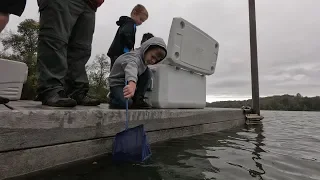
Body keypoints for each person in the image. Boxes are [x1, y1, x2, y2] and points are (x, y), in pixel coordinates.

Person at [36, 0, 104, 107]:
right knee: (55, 39)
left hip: (90, 4)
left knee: (81, 49)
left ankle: (76, 91)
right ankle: (51, 89)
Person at [108, 36, 167, 109]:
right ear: (147, 49)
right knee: (126, 103)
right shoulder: (134, 57)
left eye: (156, 60)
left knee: (148, 73)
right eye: (153, 57)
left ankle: (138, 99)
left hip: (129, 84)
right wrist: (132, 83)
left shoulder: (144, 60)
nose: (153, 61)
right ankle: (113, 98)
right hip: (117, 84)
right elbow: (131, 67)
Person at [107, 4, 149, 70]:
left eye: (143, 21)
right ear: (134, 13)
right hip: (120, 52)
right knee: (117, 70)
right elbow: (125, 33)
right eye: (140, 19)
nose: (141, 22)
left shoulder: (128, 23)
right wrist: (130, 46)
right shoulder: (130, 23)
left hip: (117, 52)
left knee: (116, 69)